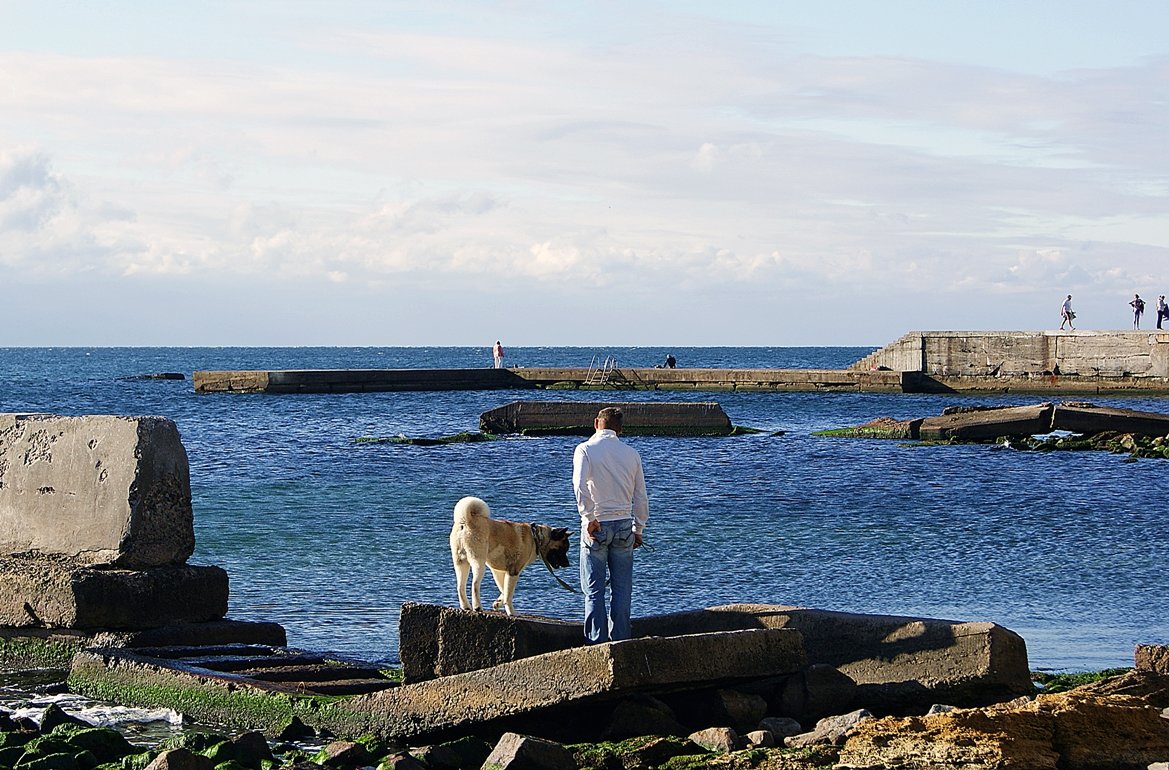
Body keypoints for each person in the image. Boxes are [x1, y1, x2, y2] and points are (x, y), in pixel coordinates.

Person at [572, 406, 649, 644]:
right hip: (624, 523)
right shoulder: (631, 454)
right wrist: (639, 528)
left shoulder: (585, 449)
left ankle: (596, 642)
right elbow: (641, 496)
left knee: (594, 591)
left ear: (596, 423)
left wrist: (588, 518)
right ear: (620, 429)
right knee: (622, 589)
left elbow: (580, 487)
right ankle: (621, 641)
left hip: (598, 524)